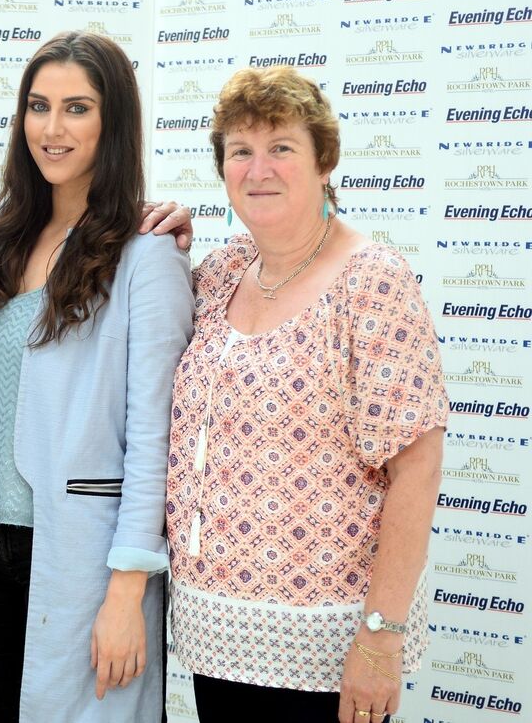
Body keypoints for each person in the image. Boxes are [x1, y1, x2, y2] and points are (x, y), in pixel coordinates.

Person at [0, 30, 195, 721]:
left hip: (80, 559)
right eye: (38, 107)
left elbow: (154, 437)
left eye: (77, 108)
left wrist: (127, 595)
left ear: (114, 122)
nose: (52, 128)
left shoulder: (146, 256)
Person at [165, 65, 448, 723]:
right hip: (217, 639)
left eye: (281, 148)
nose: (258, 169)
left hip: (330, 650)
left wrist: (380, 639)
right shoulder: (223, 273)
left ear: (325, 162)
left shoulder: (371, 279)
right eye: (241, 151)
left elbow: (417, 465)